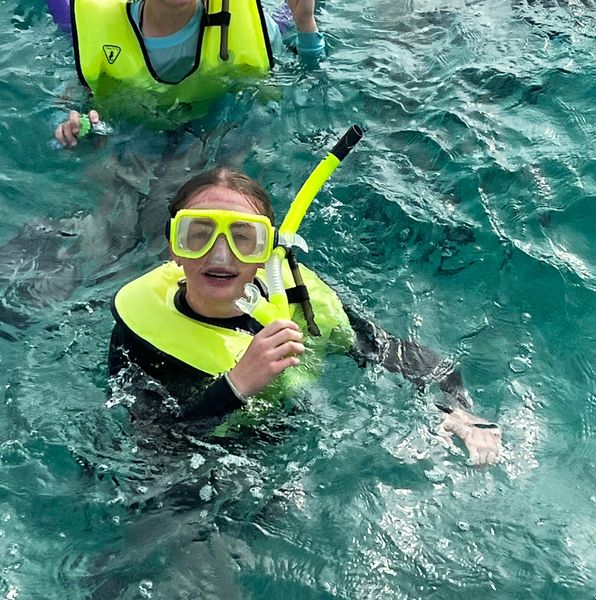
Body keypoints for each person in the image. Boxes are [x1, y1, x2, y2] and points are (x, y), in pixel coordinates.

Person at [108, 168, 503, 464]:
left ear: (266, 253)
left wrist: (459, 411)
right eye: (199, 235)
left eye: (243, 238)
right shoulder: (140, 334)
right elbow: (153, 446)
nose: (221, 254)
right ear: (174, 248)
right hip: (201, 470)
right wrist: (238, 384)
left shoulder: (301, 303)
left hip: (292, 449)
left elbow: (397, 354)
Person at [54, 0, 324, 147]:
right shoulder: (99, 35)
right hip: (139, 133)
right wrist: (69, 128)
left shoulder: (255, 29)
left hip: (213, 124)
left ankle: (288, 17)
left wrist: (305, 23)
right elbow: (72, 101)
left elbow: (302, 82)